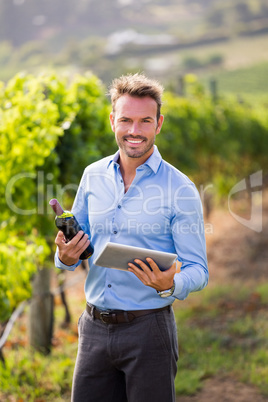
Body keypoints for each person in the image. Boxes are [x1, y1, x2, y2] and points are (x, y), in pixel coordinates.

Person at [54, 73, 208, 402]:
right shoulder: (92, 175)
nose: (134, 131)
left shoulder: (180, 189)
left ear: (158, 124)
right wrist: (65, 257)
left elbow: (198, 269)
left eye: (144, 121)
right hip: (93, 328)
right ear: (113, 121)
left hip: (149, 331)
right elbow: (76, 245)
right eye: (126, 120)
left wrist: (170, 283)